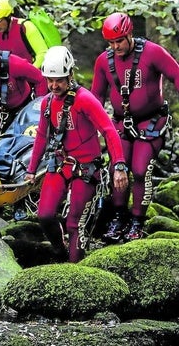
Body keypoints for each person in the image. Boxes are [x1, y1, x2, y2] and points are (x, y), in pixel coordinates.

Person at [24, 46, 128, 263]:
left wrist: (118, 166)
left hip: (87, 169)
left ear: (70, 75)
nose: (53, 85)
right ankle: (60, 251)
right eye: (49, 80)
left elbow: (109, 131)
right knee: (44, 215)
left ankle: (75, 267)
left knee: (74, 223)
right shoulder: (47, 102)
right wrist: (31, 170)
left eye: (59, 80)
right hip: (61, 164)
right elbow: (42, 136)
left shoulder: (85, 99)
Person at [91, 12, 179, 242]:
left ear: (130, 34)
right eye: (111, 42)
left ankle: (137, 222)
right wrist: (88, 130)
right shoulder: (104, 61)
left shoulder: (153, 52)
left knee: (140, 170)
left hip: (152, 123)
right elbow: (95, 98)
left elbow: (176, 75)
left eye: (119, 40)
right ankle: (119, 218)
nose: (116, 46)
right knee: (117, 171)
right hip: (120, 123)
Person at [0, 0, 49, 68]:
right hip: (11, 77)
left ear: (8, 16)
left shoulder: (25, 26)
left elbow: (42, 53)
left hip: (33, 72)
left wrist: (30, 72)